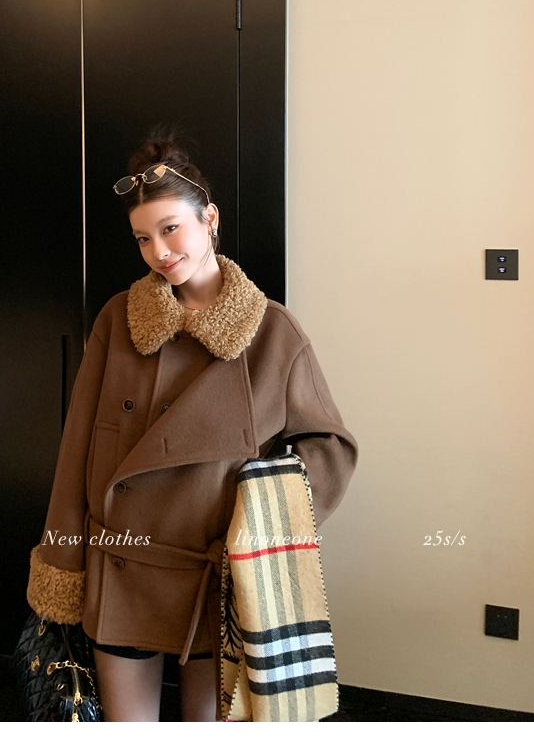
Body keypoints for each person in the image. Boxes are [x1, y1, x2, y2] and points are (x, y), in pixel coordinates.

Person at [25, 135, 358, 722]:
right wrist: (62, 565)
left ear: (210, 219)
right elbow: (77, 449)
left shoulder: (272, 333)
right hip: (122, 564)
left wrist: (253, 524)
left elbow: (329, 450)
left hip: (214, 581)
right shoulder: (119, 320)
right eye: (143, 238)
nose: (158, 251)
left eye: (171, 228)